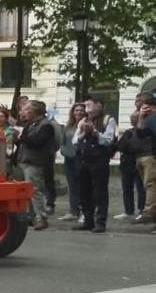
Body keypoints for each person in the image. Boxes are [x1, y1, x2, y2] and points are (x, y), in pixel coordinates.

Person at [73, 94, 117, 233]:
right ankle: (88, 220)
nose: (87, 108)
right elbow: (75, 141)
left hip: (99, 161)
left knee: (100, 192)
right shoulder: (83, 120)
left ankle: (100, 222)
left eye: (90, 104)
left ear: (99, 105)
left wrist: (95, 132)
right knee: (84, 192)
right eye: (86, 105)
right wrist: (83, 134)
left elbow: (108, 140)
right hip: (84, 160)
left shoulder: (108, 120)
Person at [15, 100, 56, 230]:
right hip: (24, 161)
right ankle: (30, 216)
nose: (24, 112)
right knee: (26, 191)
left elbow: (38, 143)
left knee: (35, 190)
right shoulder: (30, 124)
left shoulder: (45, 125)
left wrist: (21, 137)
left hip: (35, 162)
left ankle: (41, 218)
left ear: (35, 111)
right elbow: (25, 142)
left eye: (27, 109)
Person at [115, 109, 148, 221]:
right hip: (126, 164)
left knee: (141, 189)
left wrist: (129, 146)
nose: (131, 119)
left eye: (134, 118)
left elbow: (137, 147)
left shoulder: (144, 132)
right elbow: (121, 146)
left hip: (138, 163)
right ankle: (128, 211)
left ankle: (142, 210)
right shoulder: (128, 132)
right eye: (131, 118)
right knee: (126, 188)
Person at [58, 102, 86, 223]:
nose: (78, 112)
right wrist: (64, 152)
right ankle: (73, 210)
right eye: (76, 110)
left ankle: (84, 211)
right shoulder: (68, 126)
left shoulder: (85, 125)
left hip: (81, 158)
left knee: (82, 186)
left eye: (81, 110)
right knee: (72, 185)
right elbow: (62, 142)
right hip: (69, 159)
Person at [133, 93, 156, 229]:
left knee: (150, 184)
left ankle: (149, 212)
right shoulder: (147, 116)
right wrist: (141, 116)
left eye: (139, 101)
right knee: (149, 185)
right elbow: (141, 133)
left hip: (151, 155)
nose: (136, 103)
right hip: (147, 153)